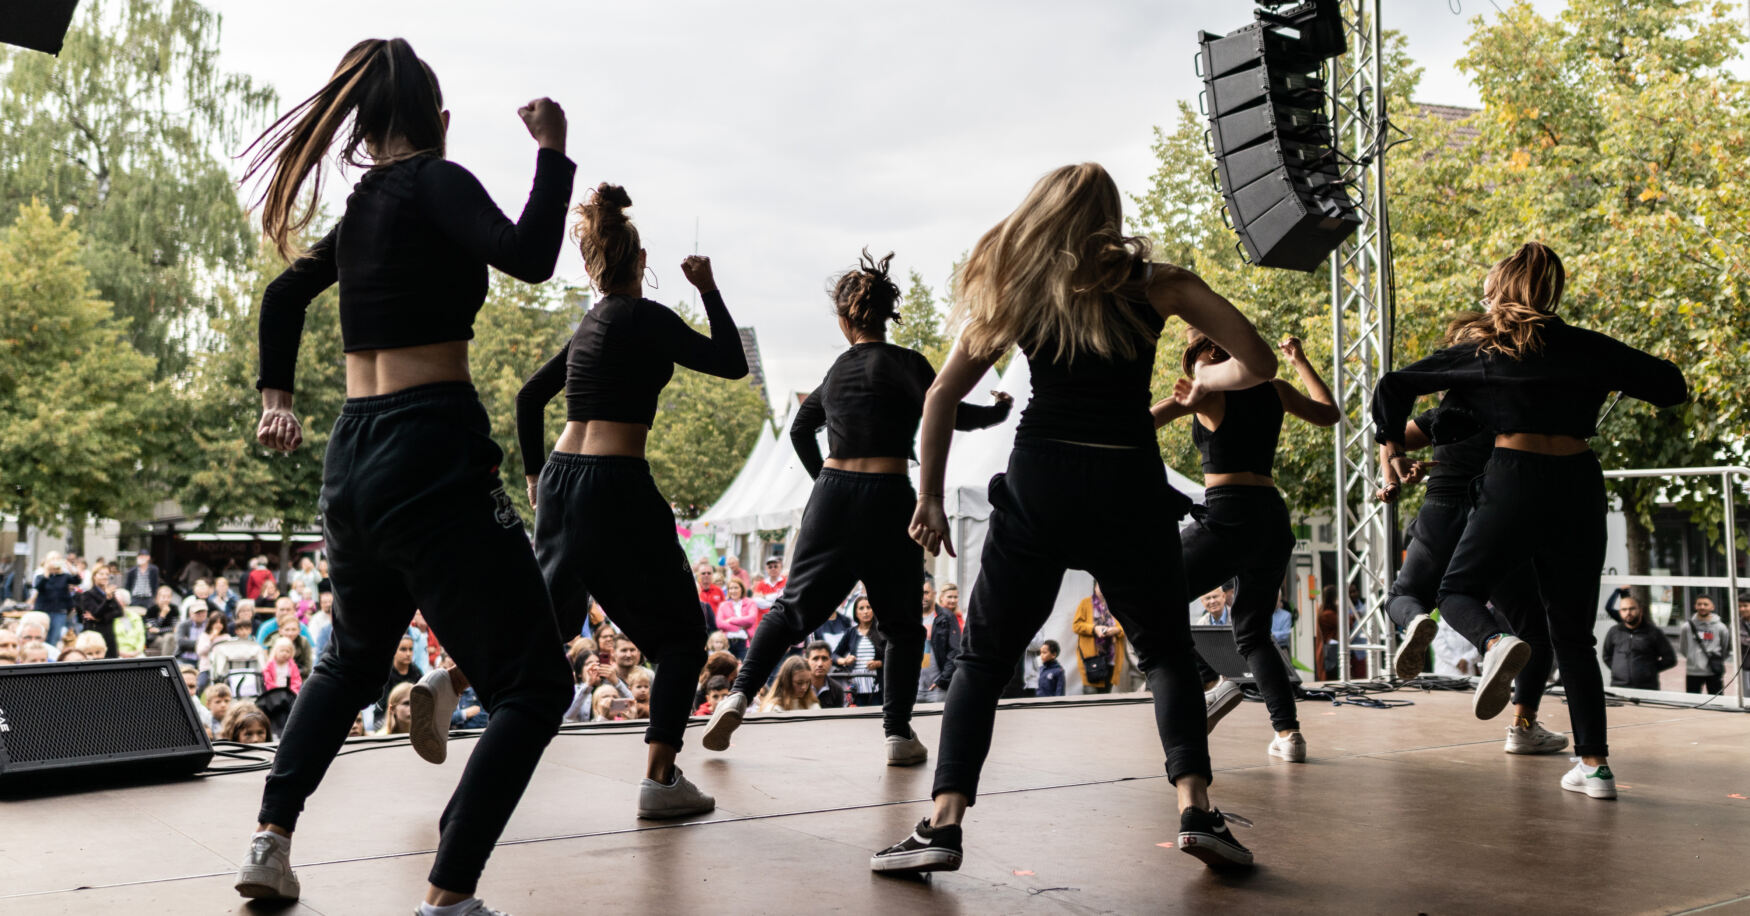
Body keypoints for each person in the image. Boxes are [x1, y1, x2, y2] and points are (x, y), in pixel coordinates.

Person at [235, 37, 576, 914]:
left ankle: (270, 840)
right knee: (536, 686)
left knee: (350, 660)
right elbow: (532, 254)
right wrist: (551, 153)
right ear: (437, 119)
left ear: (365, 124)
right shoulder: (438, 180)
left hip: (352, 453)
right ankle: (448, 896)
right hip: (431, 445)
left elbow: (281, 296)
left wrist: (277, 398)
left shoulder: (359, 209)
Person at [871, 163, 1276, 875]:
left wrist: (928, 495)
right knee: (1165, 653)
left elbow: (939, 398)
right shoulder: (1159, 284)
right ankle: (1196, 810)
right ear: (1110, 216)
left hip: (1042, 478)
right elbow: (1262, 363)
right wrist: (1206, 380)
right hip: (1127, 477)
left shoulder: (1021, 289)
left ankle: (943, 824)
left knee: (984, 659)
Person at [1372, 241, 1687, 800]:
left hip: (1515, 476)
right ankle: (1595, 767)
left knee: (1456, 591)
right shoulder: (1588, 346)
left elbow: (1394, 384)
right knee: (1574, 635)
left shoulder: (1489, 349)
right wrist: (1607, 375)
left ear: (1502, 290)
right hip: (1579, 481)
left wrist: (1390, 445)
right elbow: (1671, 386)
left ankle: (1495, 643)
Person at [699, 239, 1013, 763]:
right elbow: (950, 412)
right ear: (887, 316)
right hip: (890, 497)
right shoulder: (909, 363)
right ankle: (897, 734)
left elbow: (800, 430)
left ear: (845, 322)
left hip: (834, 494)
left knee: (790, 609)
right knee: (902, 625)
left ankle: (739, 694)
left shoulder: (836, 372)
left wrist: (823, 481)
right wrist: (997, 412)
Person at [495, 183, 743, 822]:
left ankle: (451, 680)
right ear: (641, 263)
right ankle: (660, 780)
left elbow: (528, 398)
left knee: (545, 627)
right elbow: (731, 362)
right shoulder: (647, 318)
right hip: (615, 482)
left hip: (560, 480)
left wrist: (535, 477)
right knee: (683, 637)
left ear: (594, 264)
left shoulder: (588, 326)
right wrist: (708, 288)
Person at [1153, 333, 1336, 761]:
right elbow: (1328, 413)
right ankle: (1289, 734)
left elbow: (1140, 425)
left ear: (1213, 353)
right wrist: (1300, 361)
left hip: (1230, 512)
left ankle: (1207, 691)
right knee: (1252, 632)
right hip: (1271, 518)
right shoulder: (1275, 390)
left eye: (1194, 356)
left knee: (1154, 594)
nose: (1193, 368)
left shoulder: (1209, 391)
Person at [1375, 387, 1565, 755]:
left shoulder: (1438, 418)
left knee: (1403, 596)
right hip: (1494, 518)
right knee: (1532, 629)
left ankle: (1417, 620)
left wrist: (1393, 479)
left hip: (1440, 512)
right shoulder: (1509, 411)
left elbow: (1388, 438)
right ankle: (1523, 726)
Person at [1601, 591, 1676, 690]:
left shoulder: (1653, 632)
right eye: (1624, 609)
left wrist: (1649, 670)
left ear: (1640, 610)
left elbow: (1670, 659)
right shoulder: (1614, 631)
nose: (1628, 612)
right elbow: (1606, 656)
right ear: (1620, 612)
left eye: (1632, 608)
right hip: (1618, 687)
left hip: (1647, 688)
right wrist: (1617, 669)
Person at [1072, 583, 1127, 694]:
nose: (1102, 588)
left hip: (1111, 659)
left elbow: (1125, 626)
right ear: (1094, 587)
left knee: (1106, 696)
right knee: (1090, 695)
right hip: (1091, 659)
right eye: (1099, 585)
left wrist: (1116, 630)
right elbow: (1076, 626)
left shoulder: (1115, 604)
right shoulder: (1085, 603)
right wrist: (1094, 628)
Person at [835, 596, 885, 708]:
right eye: (861, 608)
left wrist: (879, 663)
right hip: (856, 689)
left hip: (877, 688)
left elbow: (893, 658)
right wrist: (844, 660)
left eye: (869, 607)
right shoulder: (851, 633)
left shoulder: (882, 632)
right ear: (856, 613)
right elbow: (834, 655)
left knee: (877, 715)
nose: (865, 611)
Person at [1680, 595, 1731, 695]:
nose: (1702, 607)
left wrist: (1716, 660)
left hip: (1713, 671)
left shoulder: (1721, 627)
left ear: (1712, 607)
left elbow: (1725, 648)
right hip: (1693, 671)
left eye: (1705, 604)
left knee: (1717, 701)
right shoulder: (1686, 627)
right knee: (1692, 701)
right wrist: (1693, 658)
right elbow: (1683, 648)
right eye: (1699, 604)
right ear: (1695, 606)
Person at [76, 565, 125, 659]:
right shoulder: (87, 595)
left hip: (109, 635)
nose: (105, 576)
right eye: (101, 574)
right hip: (94, 636)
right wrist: (107, 600)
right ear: (94, 576)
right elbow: (95, 612)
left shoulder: (110, 594)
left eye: (107, 574)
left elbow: (119, 612)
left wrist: (100, 618)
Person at [30, 556, 79, 648]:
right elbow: (38, 587)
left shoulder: (64, 576)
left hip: (59, 611)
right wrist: (46, 573)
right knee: (41, 636)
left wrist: (69, 567)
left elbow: (77, 580)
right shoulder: (41, 576)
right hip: (43, 611)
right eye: (52, 560)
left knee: (54, 638)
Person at [929, 583, 967, 698]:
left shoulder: (958, 616)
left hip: (957, 665)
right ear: (941, 597)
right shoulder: (936, 617)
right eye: (949, 597)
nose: (953, 600)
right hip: (941, 670)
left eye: (955, 597)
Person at [714, 577, 761, 660]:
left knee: (745, 666)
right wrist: (739, 627)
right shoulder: (723, 605)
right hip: (727, 642)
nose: (733, 591)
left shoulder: (750, 603)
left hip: (744, 642)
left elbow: (751, 619)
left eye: (736, 588)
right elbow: (719, 623)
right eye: (731, 588)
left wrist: (731, 620)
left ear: (741, 589)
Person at [806, 640, 846, 709]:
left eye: (824, 659)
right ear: (806, 662)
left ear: (830, 662)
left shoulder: (836, 689)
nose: (820, 664)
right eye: (815, 659)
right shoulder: (798, 686)